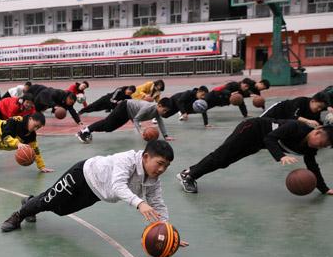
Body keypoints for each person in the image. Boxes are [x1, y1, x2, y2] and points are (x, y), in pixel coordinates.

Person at [1, 141, 187, 237]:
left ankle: (31, 202)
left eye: (166, 167)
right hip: (82, 174)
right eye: (160, 163)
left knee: (59, 209)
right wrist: (140, 204)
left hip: (95, 193)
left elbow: (158, 205)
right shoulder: (127, 160)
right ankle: (19, 215)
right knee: (49, 200)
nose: (162, 169)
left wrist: (167, 231)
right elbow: (117, 185)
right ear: (146, 157)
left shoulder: (154, 180)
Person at [177, 119, 333, 195]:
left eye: (323, 147)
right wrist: (281, 157)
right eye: (321, 143)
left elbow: (313, 167)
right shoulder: (296, 127)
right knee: (221, 156)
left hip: (257, 143)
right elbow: (270, 138)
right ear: (317, 132)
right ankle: (189, 177)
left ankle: (189, 171)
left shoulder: (309, 148)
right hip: (251, 129)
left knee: (225, 161)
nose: (320, 147)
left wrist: (324, 189)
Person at [76, 98, 175, 143]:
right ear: (159, 105)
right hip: (124, 107)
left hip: (128, 113)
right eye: (164, 110)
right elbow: (136, 119)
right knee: (107, 123)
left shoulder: (157, 112)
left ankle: (88, 130)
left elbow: (160, 122)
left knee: (109, 128)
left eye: (166, 111)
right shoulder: (148, 107)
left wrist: (166, 136)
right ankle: (84, 131)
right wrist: (140, 131)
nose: (164, 112)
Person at [261, 92, 331, 127]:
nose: (319, 109)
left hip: (284, 120)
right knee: (260, 122)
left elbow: (318, 123)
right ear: (313, 101)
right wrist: (308, 121)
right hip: (278, 110)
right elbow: (293, 116)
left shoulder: (316, 111)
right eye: (319, 106)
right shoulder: (301, 101)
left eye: (321, 108)